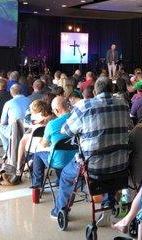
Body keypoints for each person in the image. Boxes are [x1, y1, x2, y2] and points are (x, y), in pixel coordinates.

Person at [52, 77, 131, 219]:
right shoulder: (123, 105)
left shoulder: (85, 107)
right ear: (112, 90)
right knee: (109, 156)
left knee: (65, 176)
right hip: (121, 165)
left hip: (93, 167)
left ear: (95, 91)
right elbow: (129, 126)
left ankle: (60, 210)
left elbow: (66, 130)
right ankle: (108, 203)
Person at [31, 96, 75, 187]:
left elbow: (44, 144)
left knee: (38, 153)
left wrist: (40, 142)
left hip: (59, 162)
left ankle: (37, 185)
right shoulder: (77, 119)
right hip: (76, 160)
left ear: (56, 110)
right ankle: (60, 179)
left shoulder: (52, 124)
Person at [0, 84, 31, 152]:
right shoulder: (30, 100)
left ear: (11, 93)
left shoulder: (9, 103)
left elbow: (2, 122)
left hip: (15, 130)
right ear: (22, 91)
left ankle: (7, 149)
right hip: (29, 129)